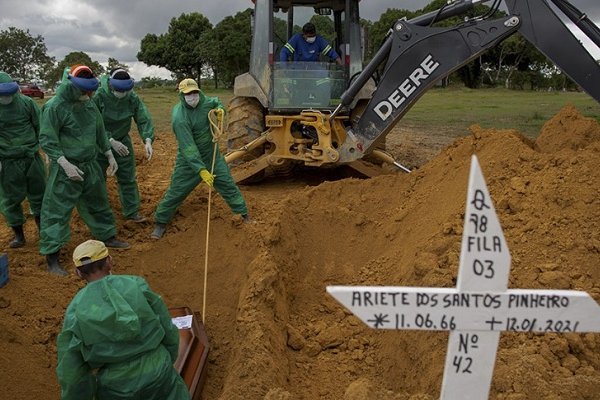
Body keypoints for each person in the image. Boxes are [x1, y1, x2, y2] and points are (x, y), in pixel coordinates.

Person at [56, 240, 190, 400]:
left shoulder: (75, 310)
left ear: (78, 273)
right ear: (109, 262)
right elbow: (166, 325)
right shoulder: (136, 285)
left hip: (116, 386)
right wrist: (166, 358)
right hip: (159, 370)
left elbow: (72, 367)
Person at [39, 65, 129, 276]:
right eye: (84, 91)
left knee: (98, 202)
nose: (88, 95)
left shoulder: (89, 105)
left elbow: (98, 130)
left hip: (90, 165)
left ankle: (108, 236)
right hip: (66, 169)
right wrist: (63, 162)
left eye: (91, 91)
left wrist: (108, 153)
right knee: (56, 211)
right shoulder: (54, 107)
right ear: (71, 86)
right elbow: (47, 138)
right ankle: (52, 257)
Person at [152, 78, 249, 239]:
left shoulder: (205, 102)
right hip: (189, 163)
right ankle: (160, 222)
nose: (193, 96)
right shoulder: (180, 117)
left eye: (195, 92)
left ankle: (243, 214)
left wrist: (219, 109)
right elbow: (188, 147)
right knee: (176, 192)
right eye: (188, 93)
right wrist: (201, 170)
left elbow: (216, 101)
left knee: (228, 186)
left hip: (212, 157)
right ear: (182, 95)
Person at [93, 68, 155, 222]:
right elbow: (91, 122)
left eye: (125, 90)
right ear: (111, 85)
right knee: (97, 180)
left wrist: (147, 139)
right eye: (119, 90)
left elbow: (143, 118)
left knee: (128, 178)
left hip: (123, 142)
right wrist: (109, 141)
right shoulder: (98, 96)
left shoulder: (131, 97)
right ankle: (100, 215)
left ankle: (131, 211)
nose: (122, 93)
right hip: (99, 142)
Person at [0, 71, 46, 248]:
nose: (6, 98)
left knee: (39, 194)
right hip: (8, 161)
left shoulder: (27, 103)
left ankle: (43, 230)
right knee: (10, 198)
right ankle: (19, 236)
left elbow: (40, 126)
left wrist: (44, 150)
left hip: (31, 157)